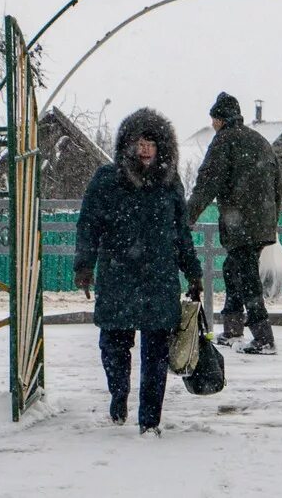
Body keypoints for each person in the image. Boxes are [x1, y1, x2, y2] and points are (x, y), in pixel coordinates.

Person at [74, 108, 203, 436]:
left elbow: (181, 232)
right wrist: (84, 266)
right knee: (113, 345)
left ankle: (150, 421)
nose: (145, 148)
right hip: (118, 274)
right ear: (127, 145)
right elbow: (89, 224)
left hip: (159, 277)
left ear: (163, 147)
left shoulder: (170, 182)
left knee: (156, 354)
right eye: (140, 141)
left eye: (152, 142)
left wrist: (193, 273)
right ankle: (119, 394)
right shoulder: (106, 180)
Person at [187, 92, 282, 355]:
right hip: (261, 223)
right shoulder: (260, 140)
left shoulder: (224, 141)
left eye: (214, 119)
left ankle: (264, 338)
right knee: (233, 268)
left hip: (242, 224)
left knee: (247, 276)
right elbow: (278, 184)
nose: (213, 125)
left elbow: (207, 182)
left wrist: (187, 217)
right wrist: (273, 220)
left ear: (219, 119)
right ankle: (232, 328)